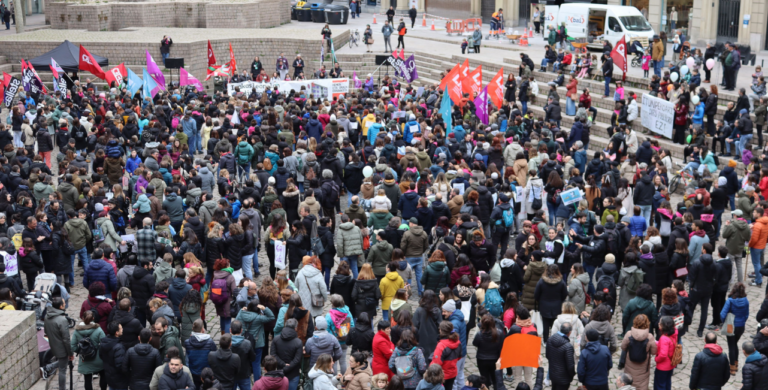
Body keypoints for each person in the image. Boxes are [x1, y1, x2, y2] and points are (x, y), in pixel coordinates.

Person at [618, 314, 656, 390]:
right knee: (642, 385)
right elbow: (654, 351)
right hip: (643, 367)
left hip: (630, 365)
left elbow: (623, 347)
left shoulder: (629, 334)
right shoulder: (650, 337)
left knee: (629, 382)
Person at [71, 309, 106, 390]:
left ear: (82, 318)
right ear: (93, 318)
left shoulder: (77, 331)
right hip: (98, 358)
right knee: (103, 375)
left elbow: (73, 346)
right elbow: (104, 343)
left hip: (85, 359)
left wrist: (81, 351)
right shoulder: (98, 329)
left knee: (87, 380)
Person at [44, 297, 73, 390]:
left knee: (62, 364)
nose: (65, 304)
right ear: (61, 306)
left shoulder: (47, 316)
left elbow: (46, 332)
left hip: (54, 346)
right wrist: (70, 353)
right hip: (62, 349)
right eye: (64, 303)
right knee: (62, 370)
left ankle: (49, 367)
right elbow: (66, 339)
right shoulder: (62, 320)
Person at [721, 282, 750, 375]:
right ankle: (736, 363)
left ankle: (732, 367)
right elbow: (746, 315)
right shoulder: (746, 301)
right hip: (741, 326)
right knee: (735, 344)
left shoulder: (730, 300)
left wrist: (724, 322)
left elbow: (722, 314)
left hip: (731, 325)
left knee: (731, 346)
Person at [270, 318, 304, 390]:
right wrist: (288, 367)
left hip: (279, 372)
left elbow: (273, 354)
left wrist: (283, 364)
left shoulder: (276, 339)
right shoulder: (298, 342)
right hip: (293, 374)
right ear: (295, 328)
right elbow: (297, 359)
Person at [546, 321, 576, 390]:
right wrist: (572, 374)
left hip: (553, 374)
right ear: (569, 332)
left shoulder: (550, 339)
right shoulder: (568, 346)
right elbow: (570, 366)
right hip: (563, 378)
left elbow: (547, 355)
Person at [101, 321, 129, 390]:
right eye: (121, 328)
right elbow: (120, 365)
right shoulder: (118, 347)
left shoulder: (104, 342)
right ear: (116, 333)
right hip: (119, 379)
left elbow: (101, 356)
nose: (122, 329)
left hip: (109, 376)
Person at [230, 320, 256, 390]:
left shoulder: (227, 343)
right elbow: (253, 358)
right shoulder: (247, 343)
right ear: (241, 330)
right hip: (244, 374)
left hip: (231, 375)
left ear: (230, 330)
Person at [654, 316, 678, 390]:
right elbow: (669, 345)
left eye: (660, 323)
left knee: (660, 385)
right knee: (667, 383)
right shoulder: (674, 334)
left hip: (663, 367)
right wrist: (658, 343)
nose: (658, 323)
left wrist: (656, 359)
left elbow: (663, 355)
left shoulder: (664, 338)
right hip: (670, 365)